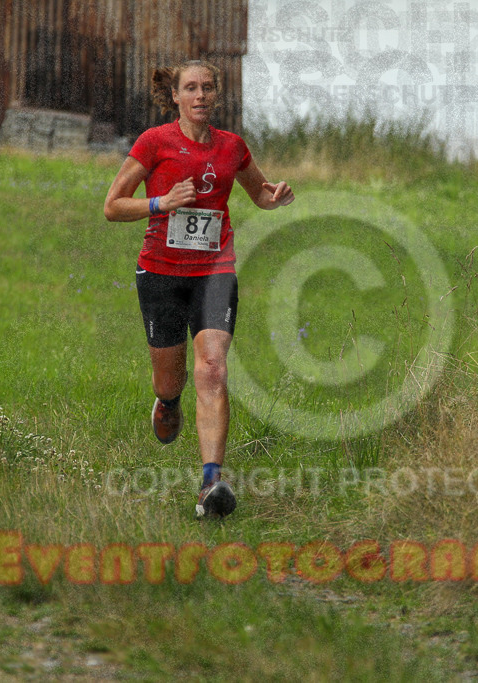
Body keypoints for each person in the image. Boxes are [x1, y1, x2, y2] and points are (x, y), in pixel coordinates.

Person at [104, 60, 293, 519]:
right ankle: (167, 402)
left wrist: (276, 196)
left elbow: (258, 193)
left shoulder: (233, 148)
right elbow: (112, 206)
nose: (201, 95)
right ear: (176, 97)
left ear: (217, 94)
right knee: (172, 382)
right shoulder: (154, 143)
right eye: (191, 88)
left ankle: (212, 484)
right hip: (161, 274)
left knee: (212, 369)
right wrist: (160, 203)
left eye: (208, 88)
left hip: (215, 271)